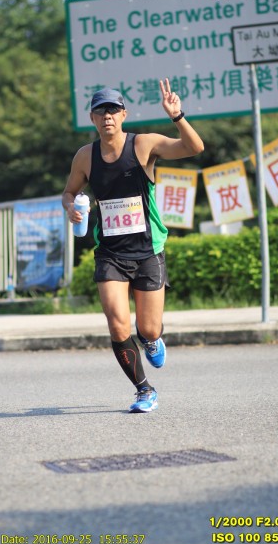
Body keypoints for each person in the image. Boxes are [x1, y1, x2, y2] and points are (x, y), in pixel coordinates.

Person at [62, 78, 204, 413]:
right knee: (117, 325)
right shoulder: (85, 157)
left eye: (113, 110)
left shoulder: (143, 145)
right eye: (101, 111)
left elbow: (194, 148)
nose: (107, 116)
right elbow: (69, 192)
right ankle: (144, 390)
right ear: (93, 118)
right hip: (110, 254)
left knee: (148, 328)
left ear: (124, 114)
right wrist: (70, 207)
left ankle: (152, 339)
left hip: (148, 250)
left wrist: (177, 115)